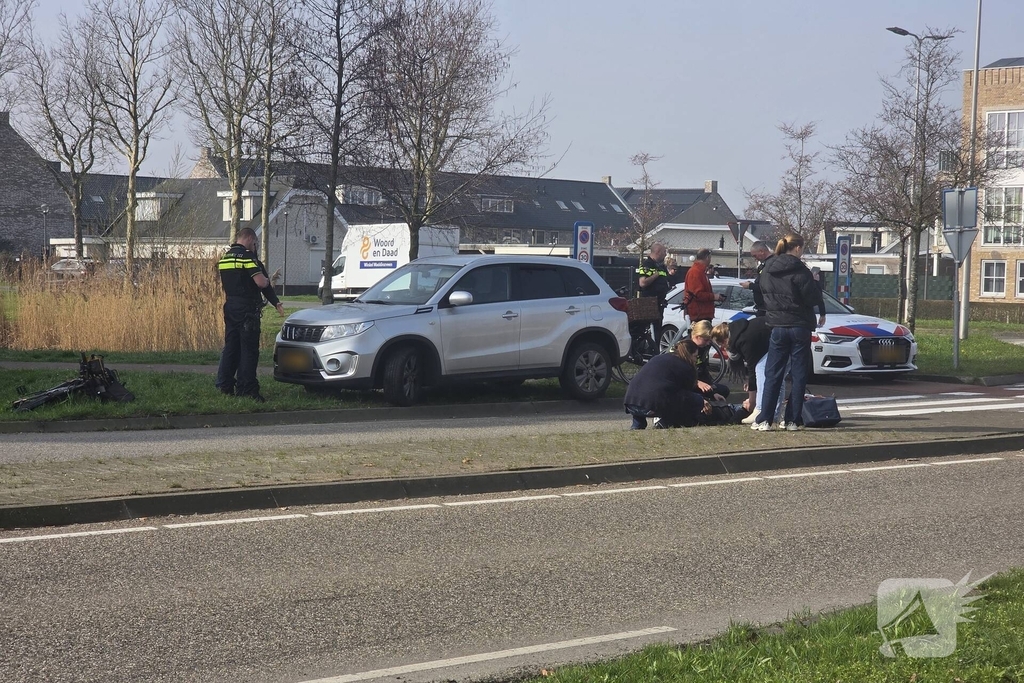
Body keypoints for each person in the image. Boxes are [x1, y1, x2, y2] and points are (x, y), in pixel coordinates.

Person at [750, 233, 826, 432]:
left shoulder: (768, 269)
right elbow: (812, 299)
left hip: (777, 325)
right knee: (798, 374)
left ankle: (765, 419)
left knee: (773, 373)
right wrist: (816, 283)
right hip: (800, 326)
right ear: (798, 248)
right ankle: (792, 420)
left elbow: (762, 294)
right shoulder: (801, 270)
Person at [215, 227, 286, 402]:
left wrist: (275, 301)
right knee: (249, 350)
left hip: (230, 307)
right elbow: (261, 283)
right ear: (250, 240)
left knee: (231, 347)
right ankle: (247, 389)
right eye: (255, 244)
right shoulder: (247, 257)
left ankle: (224, 385)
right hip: (247, 310)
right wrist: (267, 281)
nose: (255, 247)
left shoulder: (225, 258)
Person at [624, 338, 710, 429]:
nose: (696, 360)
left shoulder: (659, 358)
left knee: (648, 393)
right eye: (695, 356)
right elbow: (687, 393)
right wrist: (701, 400)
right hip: (651, 407)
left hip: (631, 403)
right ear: (689, 355)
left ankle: (637, 425)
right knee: (689, 400)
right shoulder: (686, 367)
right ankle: (665, 422)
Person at [711, 317, 770, 424]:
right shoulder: (737, 331)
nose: (722, 348)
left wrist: (752, 400)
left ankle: (761, 409)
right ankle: (764, 409)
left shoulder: (744, 340)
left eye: (721, 345)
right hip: (769, 341)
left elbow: (752, 369)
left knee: (763, 373)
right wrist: (749, 383)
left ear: (724, 340)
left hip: (778, 340)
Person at [681, 320, 729, 400]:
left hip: (697, 381)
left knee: (723, 390)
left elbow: (703, 368)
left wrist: (711, 389)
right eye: (706, 340)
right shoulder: (684, 348)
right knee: (699, 398)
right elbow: (680, 376)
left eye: (710, 340)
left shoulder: (703, 347)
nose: (708, 343)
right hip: (685, 385)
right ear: (697, 337)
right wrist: (697, 383)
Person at [637, 242, 671, 342]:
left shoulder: (661, 266)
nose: (665, 254)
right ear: (658, 252)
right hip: (649, 304)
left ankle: (655, 347)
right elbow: (642, 283)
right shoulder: (648, 264)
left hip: (659, 303)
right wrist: (655, 276)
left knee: (657, 331)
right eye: (664, 252)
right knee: (648, 329)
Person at [682, 248, 724, 325]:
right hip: (699, 314)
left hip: (701, 314)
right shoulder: (695, 272)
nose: (710, 260)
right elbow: (697, 294)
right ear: (707, 257)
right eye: (710, 258)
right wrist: (714, 297)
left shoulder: (700, 272)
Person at [740, 240, 772, 316]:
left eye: (755, 256)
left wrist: (750, 286)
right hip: (763, 308)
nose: (755, 259)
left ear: (761, 251)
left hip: (767, 310)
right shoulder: (766, 264)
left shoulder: (770, 265)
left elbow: (767, 287)